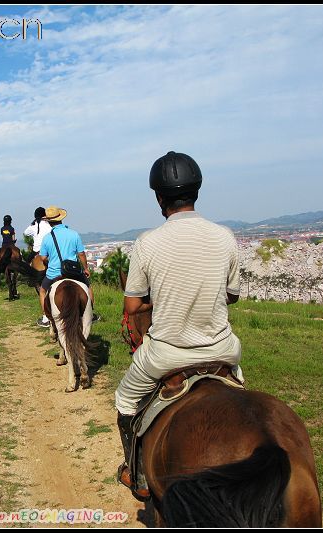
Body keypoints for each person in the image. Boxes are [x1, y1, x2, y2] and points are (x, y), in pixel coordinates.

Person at [114, 151, 242, 500]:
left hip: (165, 355)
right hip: (221, 350)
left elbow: (133, 305)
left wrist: (162, 298)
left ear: (159, 198)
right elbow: (231, 296)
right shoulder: (225, 237)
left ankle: (136, 474)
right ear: (197, 192)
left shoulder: (147, 242)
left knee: (125, 399)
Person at [36, 206, 99, 327]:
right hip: (73, 272)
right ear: (61, 219)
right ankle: (90, 313)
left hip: (54, 273)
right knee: (88, 287)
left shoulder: (47, 238)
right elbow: (81, 253)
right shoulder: (73, 234)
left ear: (49, 222)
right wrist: (85, 268)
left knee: (43, 291)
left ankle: (46, 317)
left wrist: (50, 261)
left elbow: (43, 258)